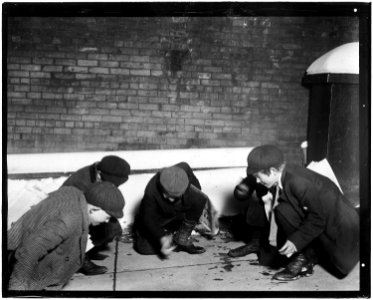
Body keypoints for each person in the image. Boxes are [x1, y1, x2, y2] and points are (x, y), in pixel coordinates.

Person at [246, 144, 359, 281]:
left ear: (273, 170)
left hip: (341, 226)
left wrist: (295, 241)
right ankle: (307, 253)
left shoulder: (298, 182)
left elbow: (318, 218)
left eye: (259, 176)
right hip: (324, 216)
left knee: (284, 210)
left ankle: (306, 257)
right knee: (283, 208)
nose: (257, 181)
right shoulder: (284, 174)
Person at [7, 182, 125, 290]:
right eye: (107, 217)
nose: (106, 221)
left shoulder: (75, 193)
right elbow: (30, 250)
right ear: (94, 209)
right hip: (20, 264)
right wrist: (18, 287)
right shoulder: (70, 220)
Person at [62, 155, 130, 275]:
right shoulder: (81, 183)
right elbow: (75, 217)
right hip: (70, 215)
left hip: (89, 211)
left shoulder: (102, 175)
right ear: (100, 173)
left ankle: (89, 250)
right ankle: (80, 261)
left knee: (113, 229)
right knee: (79, 230)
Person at [134, 162, 209, 257]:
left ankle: (182, 238)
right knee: (143, 248)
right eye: (166, 193)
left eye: (173, 196)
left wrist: (201, 214)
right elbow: (148, 218)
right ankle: (166, 234)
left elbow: (197, 192)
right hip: (158, 217)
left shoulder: (184, 170)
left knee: (200, 197)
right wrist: (162, 237)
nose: (168, 198)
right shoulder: (151, 190)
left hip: (177, 212)